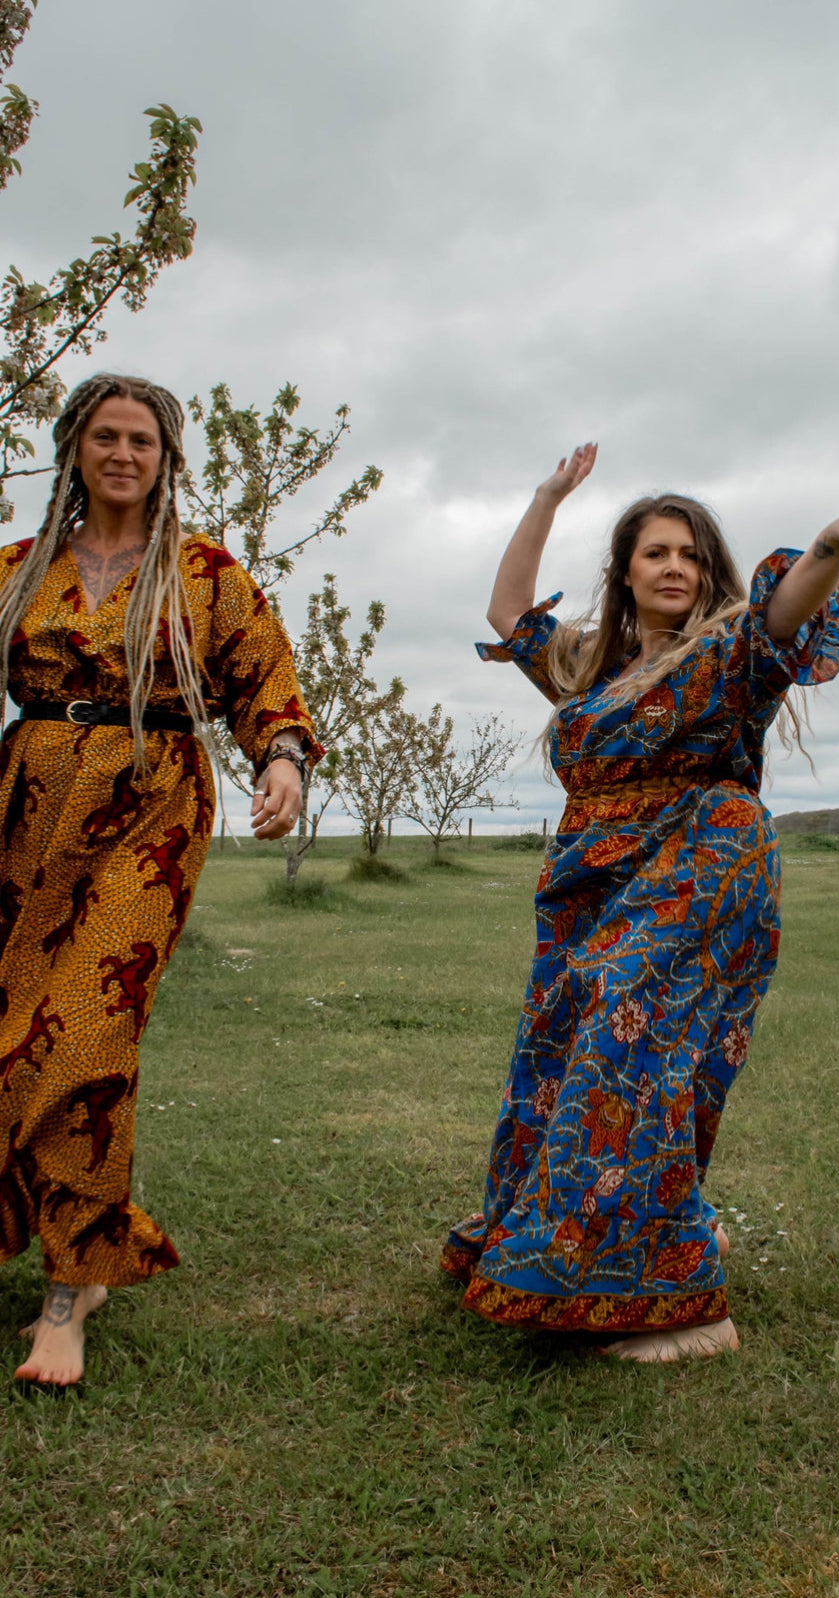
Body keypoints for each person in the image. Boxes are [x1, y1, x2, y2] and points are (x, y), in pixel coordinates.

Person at [443, 444, 839, 1360]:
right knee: (559, 1053)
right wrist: (548, 496)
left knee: (626, 1039)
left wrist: (831, 546)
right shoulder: (589, 669)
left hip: (702, 860)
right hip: (591, 880)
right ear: (625, 573)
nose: (673, 567)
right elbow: (507, 612)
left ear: (709, 571)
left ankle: (684, 1307)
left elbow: (787, 607)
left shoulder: (735, 649)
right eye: (654, 554)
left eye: (689, 554)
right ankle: (579, 1249)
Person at [0, 373, 320, 1386]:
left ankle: (69, 1289)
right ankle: (77, 1243)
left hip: (151, 804)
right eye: (107, 435)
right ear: (77, 448)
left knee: (90, 1029)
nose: (124, 453)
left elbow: (268, 681)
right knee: (12, 1030)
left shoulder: (206, 573)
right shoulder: (18, 567)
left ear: (167, 456)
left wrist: (281, 760)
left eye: (143, 438)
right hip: (24, 806)